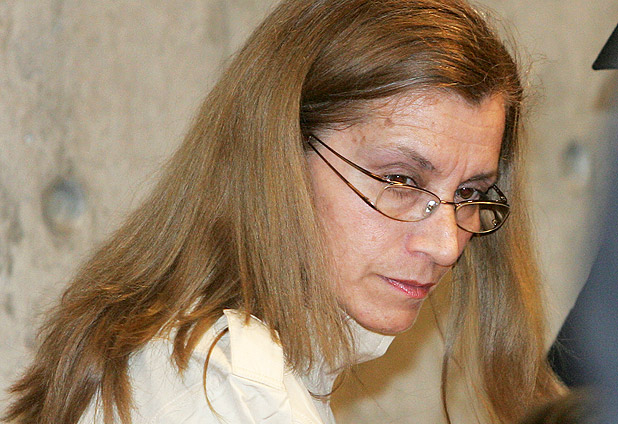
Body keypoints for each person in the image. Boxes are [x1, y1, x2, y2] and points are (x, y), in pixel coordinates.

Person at [3, 0, 564, 423]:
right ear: (278, 155)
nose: (445, 245)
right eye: (400, 180)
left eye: (469, 194)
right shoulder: (221, 388)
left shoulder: (233, 372)